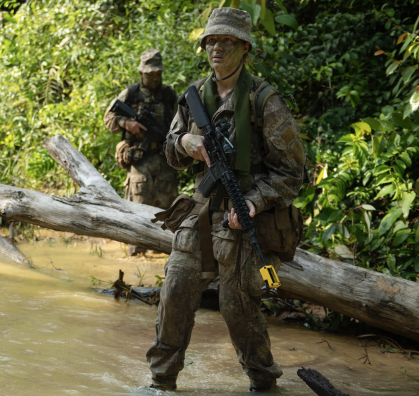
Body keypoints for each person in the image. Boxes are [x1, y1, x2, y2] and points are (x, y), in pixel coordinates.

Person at [145, 8, 306, 392]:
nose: (216, 47)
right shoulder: (194, 95)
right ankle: (160, 382)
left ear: (244, 47)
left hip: (241, 215)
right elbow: (171, 149)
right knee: (174, 293)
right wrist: (186, 142)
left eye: (226, 41)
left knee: (239, 309)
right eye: (211, 41)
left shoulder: (264, 100)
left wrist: (254, 201)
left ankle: (264, 382)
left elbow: (292, 172)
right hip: (200, 213)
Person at [104, 49, 179, 255]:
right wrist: (126, 123)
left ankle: (163, 251)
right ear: (141, 73)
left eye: (157, 74)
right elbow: (108, 119)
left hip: (165, 160)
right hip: (139, 160)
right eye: (150, 74)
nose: (154, 78)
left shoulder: (169, 95)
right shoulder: (130, 94)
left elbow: (182, 122)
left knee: (166, 207)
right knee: (137, 208)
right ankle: (136, 253)